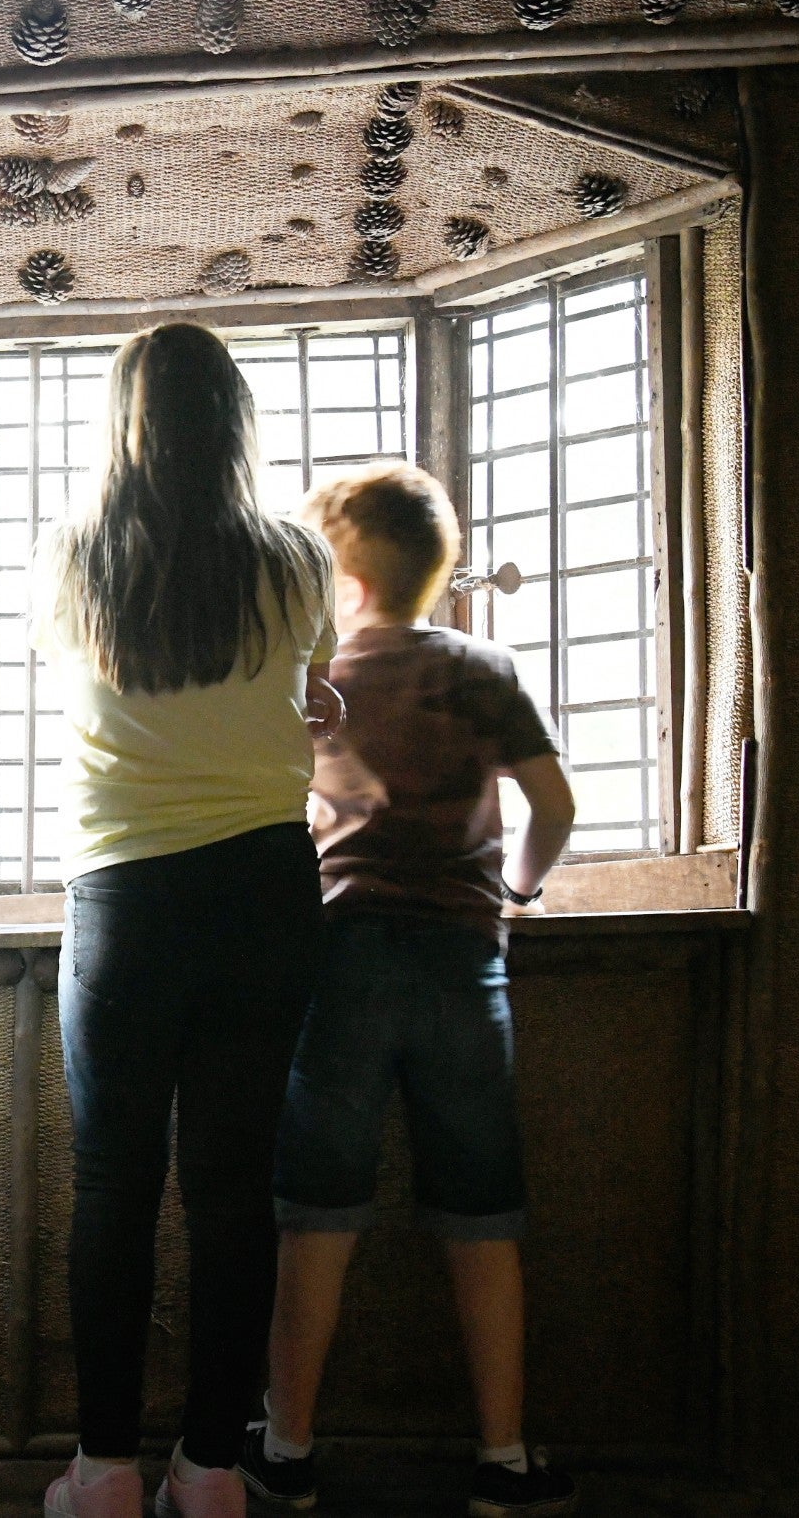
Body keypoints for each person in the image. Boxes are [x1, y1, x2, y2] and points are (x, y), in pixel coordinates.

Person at [34, 323, 344, 1518]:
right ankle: (212, 1469)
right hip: (268, 889)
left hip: (124, 895)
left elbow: (83, 683)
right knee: (233, 1193)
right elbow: (309, 691)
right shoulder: (301, 559)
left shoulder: (71, 559)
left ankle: (104, 1469)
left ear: (125, 424)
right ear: (237, 423)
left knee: (113, 1186)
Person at [241, 462, 577, 1518]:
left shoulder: (314, 674)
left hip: (337, 962)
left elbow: (266, 813)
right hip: (462, 961)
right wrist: (513, 890)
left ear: (335, 571)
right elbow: (554, 806)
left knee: (317, 1217)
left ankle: (287, 1449)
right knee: (483, 1214)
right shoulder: (485, 666)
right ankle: (506, 1460)